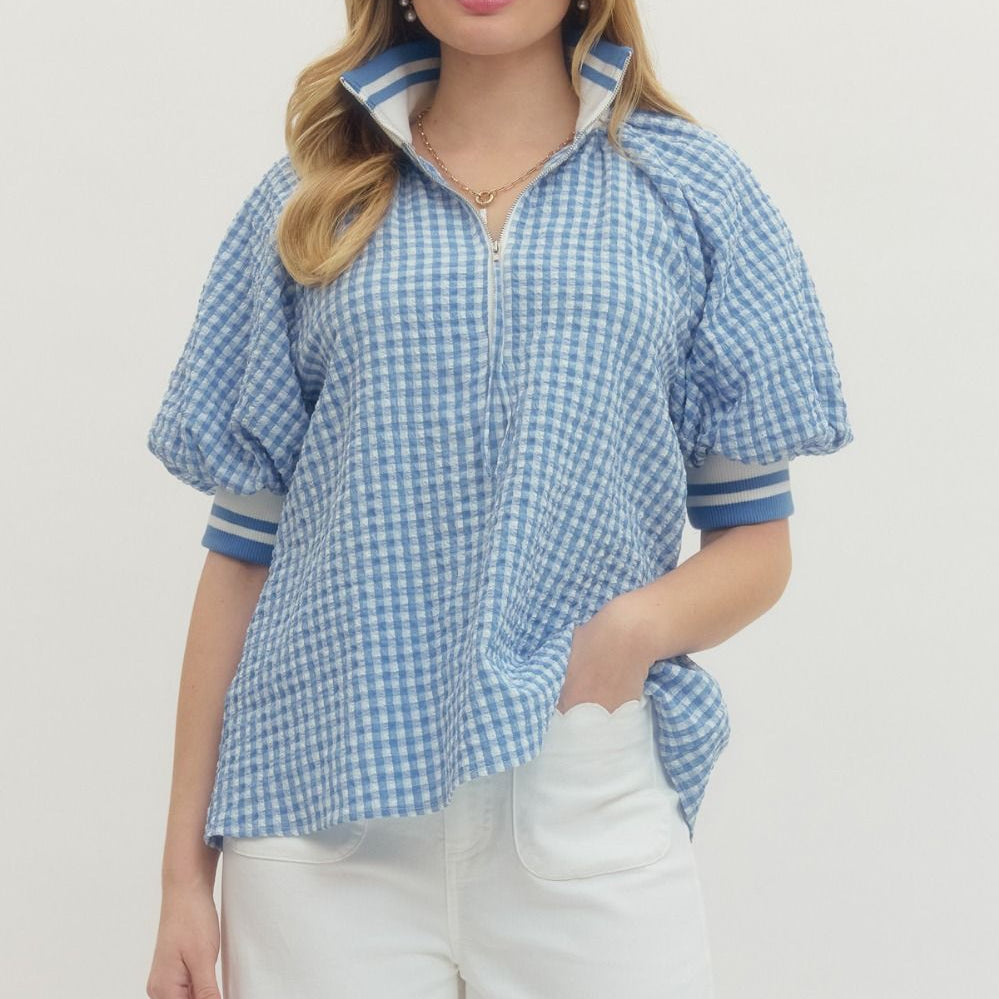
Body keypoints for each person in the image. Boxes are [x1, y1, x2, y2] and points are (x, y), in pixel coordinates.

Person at [144, 1, 854, 997]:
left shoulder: (691, 190)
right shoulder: (312, 197)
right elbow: (240, 556)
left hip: (580, 803)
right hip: (320, 826)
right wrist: (183, 878)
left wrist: (627, 634)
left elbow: (756, 544)